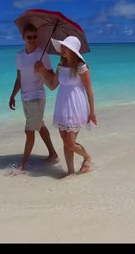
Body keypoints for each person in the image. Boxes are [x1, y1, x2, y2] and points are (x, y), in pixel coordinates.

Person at [35, 36, 97, 178]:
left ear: (73, 50)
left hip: (76, 106)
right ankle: (70, 172)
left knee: (70, 143)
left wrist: (92, 112)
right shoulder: (61, 67)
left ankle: (87, 157)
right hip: (62, 105)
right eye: (62, 46)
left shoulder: (82, 67)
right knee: (65, 141)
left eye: (65, 47)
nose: (62, 49)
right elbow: (52, 86)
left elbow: (89, 91)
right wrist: (42, 71)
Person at [9, 24, 59, 171]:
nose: (32, 40)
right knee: (40, 126)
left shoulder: (42, 54)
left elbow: (52, 79)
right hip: (24, 97)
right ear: (23, 38)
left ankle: (23, 164)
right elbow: (19, 78)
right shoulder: (20, 56)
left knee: (29, 131)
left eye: (35, 37)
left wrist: (42, 69)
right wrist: (12, 95)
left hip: (37, 97)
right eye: (29, 37)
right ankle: (53, 154)